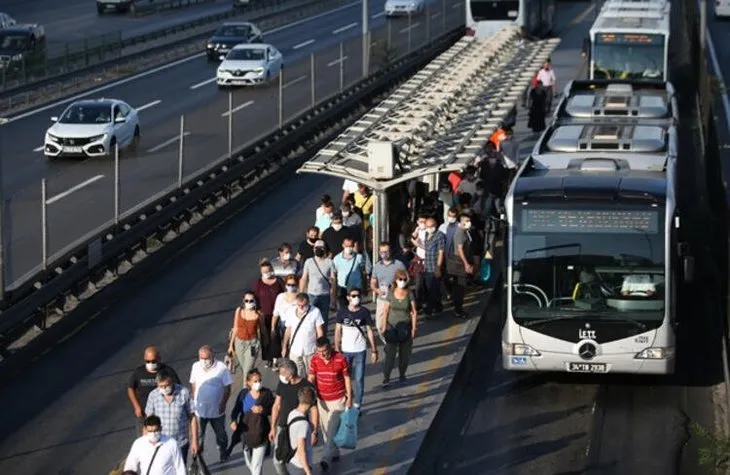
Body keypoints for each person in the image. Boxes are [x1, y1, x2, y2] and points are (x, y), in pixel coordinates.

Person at [308, 337, 352, 472]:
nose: (323, 354)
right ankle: (334, 452)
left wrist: (349, 397)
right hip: (322, 401)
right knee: (326, 431)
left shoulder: (340, 359)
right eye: (319, 351)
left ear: (330, 348)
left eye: (325, 351)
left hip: (338, 400)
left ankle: (325, 460)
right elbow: (311, 377)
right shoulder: (314, 360)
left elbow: (346, 378)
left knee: (332, 430)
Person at [269, 359, 319, 475]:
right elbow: (277, 405)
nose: (280, 376)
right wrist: (273, 427)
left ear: (290, 375)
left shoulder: (307, 387)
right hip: (283, 427)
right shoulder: (282, 384)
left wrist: (315, 431)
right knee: (278, 461)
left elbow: (314, 409)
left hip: (298, 428)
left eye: (282, 374)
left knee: (298, 458)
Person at [335, 288, 378, 409]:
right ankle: (347, 400)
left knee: (359, 379)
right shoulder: (342, 312)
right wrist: (337, 348)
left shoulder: (364, 312)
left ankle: (357, 404)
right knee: (345, 378)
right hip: (345, 350)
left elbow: (370, 331)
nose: (356, 298)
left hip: (360, 349)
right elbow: (338, 330)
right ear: (348, 297)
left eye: (358, 295)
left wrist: (374, 350)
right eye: (353, 296)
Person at [189, 345, 233, 463]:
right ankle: (198, 457)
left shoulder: (222, 368)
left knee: (221, 434)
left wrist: (223, 403)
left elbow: (227, 388)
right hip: (200, 410)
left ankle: (223, 451)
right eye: (201, 358)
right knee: (198, 435)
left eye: (206, 358)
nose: (204, 361)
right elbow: (193, 384)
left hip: (217, 410)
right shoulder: (196, 366)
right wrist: (193, 399)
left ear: (212, 356)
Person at [145, 368, 198, 463]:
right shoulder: (153, 396)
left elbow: (192, 417)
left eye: (166, 386)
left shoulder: (184, 393)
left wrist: (195, 441)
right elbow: (148, 421)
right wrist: (147, 443)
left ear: (172, 382)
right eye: (161, 386)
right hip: (160, 444)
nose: (164, 389)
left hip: (180, 444)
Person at [230, 369, 275, 475]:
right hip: (246, 434)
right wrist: (233, 420)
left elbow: (273, 409)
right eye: (255, 381)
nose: (258, 383)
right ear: (248, 382)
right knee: (251, 465)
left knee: (256, 466)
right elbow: (236, 409)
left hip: (261, 433)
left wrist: (263, 410)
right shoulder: (243, 394)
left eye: (259, 380)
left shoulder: (266, 393)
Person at [128, 346, 181, 435]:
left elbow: (178, 388)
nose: (151, 363)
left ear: (159, 359)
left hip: (162, 414)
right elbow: (130, 388)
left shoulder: (167, 371)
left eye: (153, 361)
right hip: (144, 414)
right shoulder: (139, 372)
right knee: (144, 441)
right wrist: (136, 407)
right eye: (148, 361)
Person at [378, 269, 418, 387]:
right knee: (390, 355)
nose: (402, 281)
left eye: (405, 279)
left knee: (404, 355)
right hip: (392, 328)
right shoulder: (391, 293)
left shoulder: (410, 294)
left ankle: (402, 375)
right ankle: (386, 378)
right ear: (396, 280)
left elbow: (414, 312)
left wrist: (414, 329)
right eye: (400, 279)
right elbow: (386, 310)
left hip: (405, 328)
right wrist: (384, 327)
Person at [281, 293, 325, 378]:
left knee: (312, 375)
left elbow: (319, 331)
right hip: (295, 350)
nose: (301, 307)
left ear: (308, 302)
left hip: (310, 350)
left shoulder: (315, 311)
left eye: (303, 305)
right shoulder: (291, 311)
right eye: (299, 305)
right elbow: (288, 330)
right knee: (297, 375)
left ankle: (311, 390)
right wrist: (284, 347)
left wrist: (320, 348)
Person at [228, 292, 268, 378]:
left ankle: (245, 390)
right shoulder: (239, 310)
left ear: (255, 301)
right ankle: (252, 379)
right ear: (243, 301)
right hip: (239, 342)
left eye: (251, 300)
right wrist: (231, 345)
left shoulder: (259, 314)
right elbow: (235, 328)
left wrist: (266, 342)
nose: (248, 303)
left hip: (252, 344)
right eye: (246, 300)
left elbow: (263, 329)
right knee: (244, 368)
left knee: (247, 370)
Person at [253, 260, 285, 367]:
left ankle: (276, 358)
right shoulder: (258, 283)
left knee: (275, 335)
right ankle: (268, 358)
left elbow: (284, 295)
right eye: (264, 271)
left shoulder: (279, 281)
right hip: (264, 315)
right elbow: (255, 297)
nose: (267, 273)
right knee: (265, 337)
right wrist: (257, 311)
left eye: (268, 270)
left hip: (277, 314)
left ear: (272, 270)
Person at [370, 242, 407, 335]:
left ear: (390, 251)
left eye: (386, 251)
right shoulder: (377, 266)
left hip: (395, 299)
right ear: (379, 252)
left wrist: (398, 285)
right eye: (382, 252)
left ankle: (393, 345)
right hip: (382, 299)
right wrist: (377, 290)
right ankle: (388, 341)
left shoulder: (399, 264)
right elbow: (372, 283)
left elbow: (407, 279)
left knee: (393, 324)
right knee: (379, 325)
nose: (384, 254)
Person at [299, 240, 335, 333]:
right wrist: (301, 294)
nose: (319, 250)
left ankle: (322, 342)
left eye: (321, 248)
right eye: (317, 248)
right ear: (313, 249)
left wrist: (333, 299)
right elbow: (304, 278)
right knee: (309, 319)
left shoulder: (330, 262)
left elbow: (333, 281)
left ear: (325, 249)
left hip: (325, 295)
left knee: (323, 321)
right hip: (311, 295)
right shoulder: (309, 262)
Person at [446, 212, 475, 318]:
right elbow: (459, 249)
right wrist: (466, 264)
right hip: (458, 263)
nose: (468, 223)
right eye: (466, 221)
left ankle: (457, 305)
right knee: (460, 287)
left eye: (469, 221)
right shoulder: (460, 233)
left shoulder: (466, 231)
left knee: (459, 287)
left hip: (461, 262)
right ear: (461, 221)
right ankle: (458, 310)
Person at [287, 386, 318, 475]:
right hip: (300, 466)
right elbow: (301, 450)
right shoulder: (303, 425)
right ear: (311, 403)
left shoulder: (292, 414)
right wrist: (308, 471)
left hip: (292, 461)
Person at [332, 237, 366, 310]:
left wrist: (364, 288)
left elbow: (363, 273)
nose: (349, 248)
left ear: (353, 246)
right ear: (343, 245)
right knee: (343, 310)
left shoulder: (359, 257)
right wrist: (334, 295)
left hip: (356, 288)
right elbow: (334, 275)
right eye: (347, 246)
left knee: (356, 310)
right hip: (342, 288)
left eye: (350, 246)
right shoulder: (337, 258)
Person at [421, 216, 445, 317]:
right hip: (427, 267)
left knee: (433, 289)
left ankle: (429, 310)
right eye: (427, 226)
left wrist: (438, 267)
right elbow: (427, 248)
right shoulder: (426, 234)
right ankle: (438, 307)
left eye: (431, 226)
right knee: (430, 288)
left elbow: (441, 252)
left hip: (435, 267)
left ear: (435, 225)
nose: (429, 228)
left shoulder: (439, 236)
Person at [273, 275, 300, 344]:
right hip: (283, 325)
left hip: (296, 324)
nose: (291, 286)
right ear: (285, 285)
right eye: (288, 284)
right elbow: (276, 314)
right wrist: (273, 328)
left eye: (293, 285)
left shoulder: (300, 297)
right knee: (284, 344)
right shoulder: (280, 296)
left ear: (297, 285)